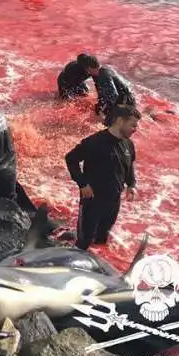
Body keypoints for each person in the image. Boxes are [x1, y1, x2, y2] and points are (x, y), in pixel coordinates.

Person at [65, 105, 139, 250]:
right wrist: (82, 183)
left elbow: (129, 166)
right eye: (133, 125)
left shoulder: (128, 144)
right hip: (92, 200)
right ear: (120, 121)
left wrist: (131, 185)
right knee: (83, 243)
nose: (135, 129)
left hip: (113, 201)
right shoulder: (94, 142)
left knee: (102, 239)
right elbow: (71, 159)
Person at [83, 57, 136, 127]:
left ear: (89, 68)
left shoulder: (104, 76)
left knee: (108, 124)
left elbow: (113, 95)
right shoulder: (100, 72)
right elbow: (102, 94)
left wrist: (103, 110)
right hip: (124, 99)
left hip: (125, 102)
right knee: (99, 111)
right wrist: (100, 106)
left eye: (87, 70)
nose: (87, 72)